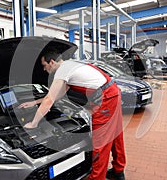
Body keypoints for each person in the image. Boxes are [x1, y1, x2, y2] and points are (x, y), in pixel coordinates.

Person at [19, 51, 126, 180]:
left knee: (100, 142)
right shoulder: (70, 65)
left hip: (105, 99)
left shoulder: (62, 71)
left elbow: (49, 100)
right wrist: (34, 102)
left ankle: (97, 177)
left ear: (52, 62)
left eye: (44, 65)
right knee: (115, 134)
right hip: (112, 92)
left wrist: (33, 123)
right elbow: (56, 96)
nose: (43, 69)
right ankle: (118, 170)